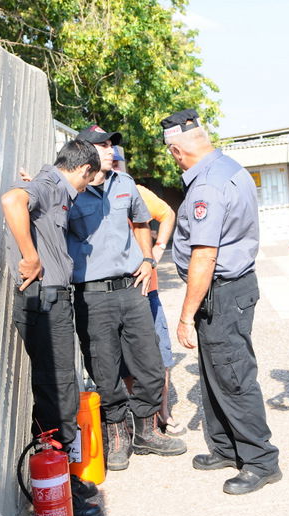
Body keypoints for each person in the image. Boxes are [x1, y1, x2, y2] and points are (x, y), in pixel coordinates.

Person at [162, 109, 281, 495]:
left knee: (233, 376)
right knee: (215, 370)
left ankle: (260, 460)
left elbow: (204, 256)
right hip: (232, 289)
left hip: (222, 292)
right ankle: (227, 447)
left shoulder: (207, 187)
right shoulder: (230, 167)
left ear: (177, 151)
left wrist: (185, 316)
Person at [68, 125, 186, 471]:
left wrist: (148, 260)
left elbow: (140, 223)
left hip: (132, 290)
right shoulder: (71, 190)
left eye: (110, 145)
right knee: (105, 371)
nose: (109, 150)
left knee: (150, 365)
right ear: (83, 151)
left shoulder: (125, 184)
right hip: (92, 296)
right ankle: (118, 436)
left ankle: (148, 432)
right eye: (101, 145)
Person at [1, 140, 103, 516]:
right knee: (56, 392)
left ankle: (59, 478)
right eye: (87, 181)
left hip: (53, 301)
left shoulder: (53, 186)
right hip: (44, 302)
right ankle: (53, 486)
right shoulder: (51, 184)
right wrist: (30, 255)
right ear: (83, 171)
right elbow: (12, 201)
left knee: (59, 389)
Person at [112, 148, 186, 436]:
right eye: (110, 162)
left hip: (147, 290)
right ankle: (140, 415)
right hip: (116, 293)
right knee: (126, 359)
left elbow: (167, 213)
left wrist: (158, 247)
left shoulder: (136, 191)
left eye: (119, 162)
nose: (115, 167)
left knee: (160, 356)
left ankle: (162, 414)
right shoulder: (90, 195)